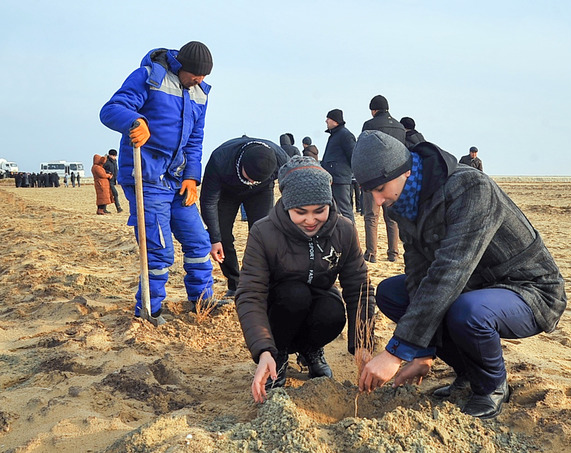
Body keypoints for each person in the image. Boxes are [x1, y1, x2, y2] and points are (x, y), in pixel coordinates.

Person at [351, 131, 567, 419]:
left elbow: (449, 271)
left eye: (380, 189)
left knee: (468, 311)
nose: (377, 201)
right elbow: (418, 273)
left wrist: (395, 352)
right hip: (471, 285)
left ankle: (492, 386)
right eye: (370, 192)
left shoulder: (470, 188)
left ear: (405, 171)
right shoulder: (402, 204)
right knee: (392, 293)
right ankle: (467, 372)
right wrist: (422, 351)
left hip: (527, 289)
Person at [235, 155, 375, 403]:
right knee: (294, 295)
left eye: (319, 211)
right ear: (287, 205)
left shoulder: (344, 230)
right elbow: (250, 294)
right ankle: (277, 358)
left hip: (320, 301)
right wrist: (263, 350)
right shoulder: (263, 232)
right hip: (279, 308)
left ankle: (311, 350)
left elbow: (359, 287)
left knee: (332, 311)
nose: (311, 221)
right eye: (301, 212)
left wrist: (363, 344)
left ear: (329, 204)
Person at [99, 41, 215, 321]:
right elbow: (111, 109)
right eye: (196, 75)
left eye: (204, 77)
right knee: (159, 250)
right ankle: (149, 310)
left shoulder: (200, 93)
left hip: (177, 181)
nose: (199, 80)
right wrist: (136, 121)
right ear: (181, 66)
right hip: (146, 177)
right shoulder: (149, 76)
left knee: (199, 243)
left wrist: (191, 178)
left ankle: (202, 301)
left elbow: (195, 141)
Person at [200, 136, 289, 297]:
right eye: (250, 178)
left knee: (264, 237)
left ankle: (261, 283)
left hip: (261, 193)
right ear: (242, 165)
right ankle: (235, 284)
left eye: (256, 180)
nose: (252, 182)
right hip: (227, 193)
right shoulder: (220, 159)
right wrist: (214, 239)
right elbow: (208, 202)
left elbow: (294, 183)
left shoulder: (281, 158)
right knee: (223, 237)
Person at [360, 95, 404, 263]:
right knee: (391, 217)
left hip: (374, 177)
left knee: (371, 216)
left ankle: (371, 254)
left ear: (374, 110)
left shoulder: (370, 125)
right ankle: (393, 253)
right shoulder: (400, 127)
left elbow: (363, 151)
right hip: (395, 179)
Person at [321, 109, 356, 223]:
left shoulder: (345, 135)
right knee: (334, 211)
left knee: (345, 210)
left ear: (335, 121)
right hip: (333, 179)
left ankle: (351, 237)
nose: (326, 121)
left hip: (340, 179)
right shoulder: (335, 135)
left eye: (328, 118)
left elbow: (353, 156)